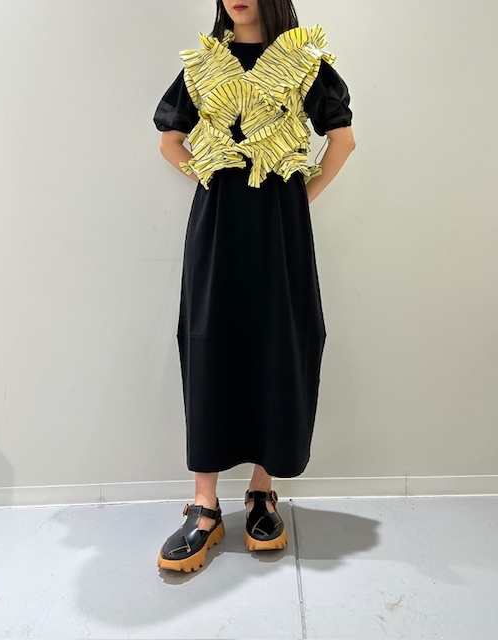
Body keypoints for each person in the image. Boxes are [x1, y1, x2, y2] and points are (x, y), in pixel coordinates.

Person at [154, 0, 355, 572]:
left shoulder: (304, 62)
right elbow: (170, 140)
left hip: (279, 229)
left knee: (281, 340)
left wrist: (297, 200)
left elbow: (342, 140)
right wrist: (212, 173)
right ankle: (204, 504)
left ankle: (262, 490)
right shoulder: (204, 64)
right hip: (217, 227)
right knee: (207, 340)